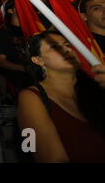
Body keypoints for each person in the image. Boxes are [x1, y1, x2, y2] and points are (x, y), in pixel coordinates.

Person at [18, 30, 105, 162]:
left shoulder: (97, 87)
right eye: (55, 47)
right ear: (38, 60)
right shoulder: (32, 98)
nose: (66, 50)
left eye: (68, 45)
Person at [0, 0, 32, 97]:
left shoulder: (31, 27)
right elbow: (1, 61)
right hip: (20, 80)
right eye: (19, 6)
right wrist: (24, 68)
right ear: (10, 11)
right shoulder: (4, 32)